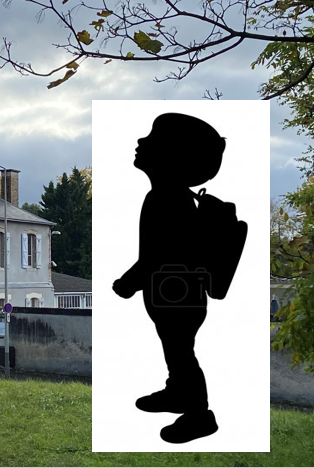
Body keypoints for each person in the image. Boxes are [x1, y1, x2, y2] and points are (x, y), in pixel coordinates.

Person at [112, 112, 226, 444]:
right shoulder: (167, 197)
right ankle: (177, 393)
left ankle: (199, 415)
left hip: (178, 294)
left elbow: (160, 253)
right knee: (176, 349)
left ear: (171, 156)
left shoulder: (166, 199)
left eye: (151, 139)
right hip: (173, 293)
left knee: (181, 354)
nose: (140, 142)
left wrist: (129, 282)